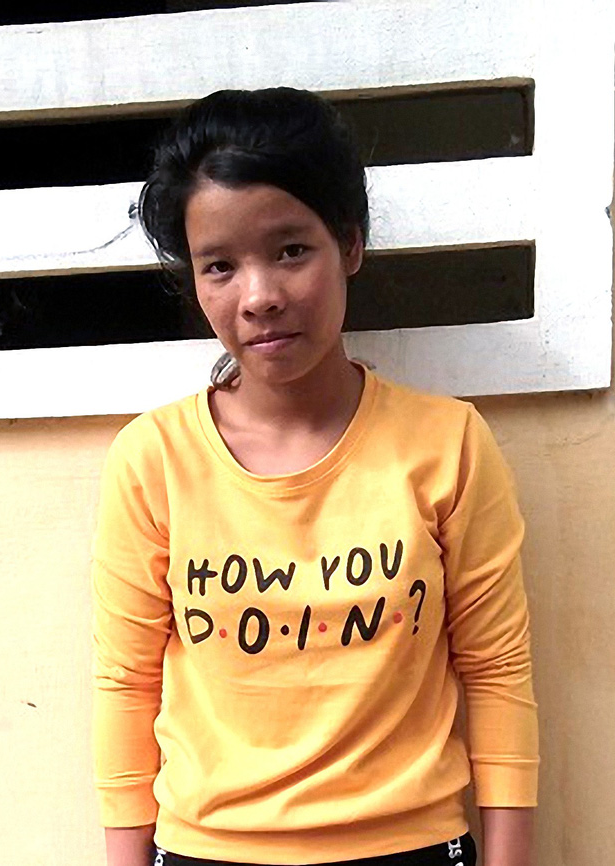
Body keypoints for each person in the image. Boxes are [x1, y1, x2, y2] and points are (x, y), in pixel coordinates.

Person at [91, 88, 539, 866]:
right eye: (220, 266)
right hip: (207, 850)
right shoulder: (153, 460)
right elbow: (126, 686)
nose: (259, 297)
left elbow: (497, 673)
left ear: (350, 244)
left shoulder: (447, 446)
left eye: (291, 250)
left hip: (411, 846)